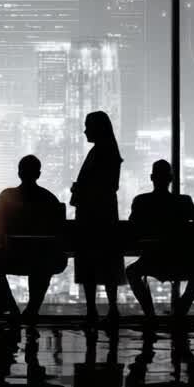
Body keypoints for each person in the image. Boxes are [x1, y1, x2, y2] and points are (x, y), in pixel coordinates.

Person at [0, 155, 69, 325]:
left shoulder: (6, 197)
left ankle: (12, 309)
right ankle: (32, 309)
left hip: (13, 256)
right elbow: (58, 229)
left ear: (19, 173)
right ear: (38, 174)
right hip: (42, 258)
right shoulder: (49, 199)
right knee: (41, 266)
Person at [125, 160, 194, 319]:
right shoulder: (183, 202)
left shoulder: (141, 202)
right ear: (171, 179)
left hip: (152, 258)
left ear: (152, 178)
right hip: (179, 260)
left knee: (132, 272)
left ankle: (150, 313)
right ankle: (182, 307)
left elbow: (132, 227)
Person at [69, 111, 125, 327]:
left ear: (97, 128)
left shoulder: (99, 153)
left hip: (92, 217)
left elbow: (103, 185)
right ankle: (111, 309)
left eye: (87, 126)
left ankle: (93, 310)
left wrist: (81, 189)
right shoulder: (109, 152)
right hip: (105, 215)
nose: (85, 131)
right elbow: (110, 186)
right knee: (107, 261)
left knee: (89, 262)